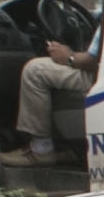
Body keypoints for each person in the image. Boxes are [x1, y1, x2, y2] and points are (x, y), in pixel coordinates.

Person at [13, 36, 91, 164]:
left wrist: (69, 57)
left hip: (99, 73)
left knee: (35, 70)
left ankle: (41, 149)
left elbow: (97, 59)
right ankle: (72, 147)